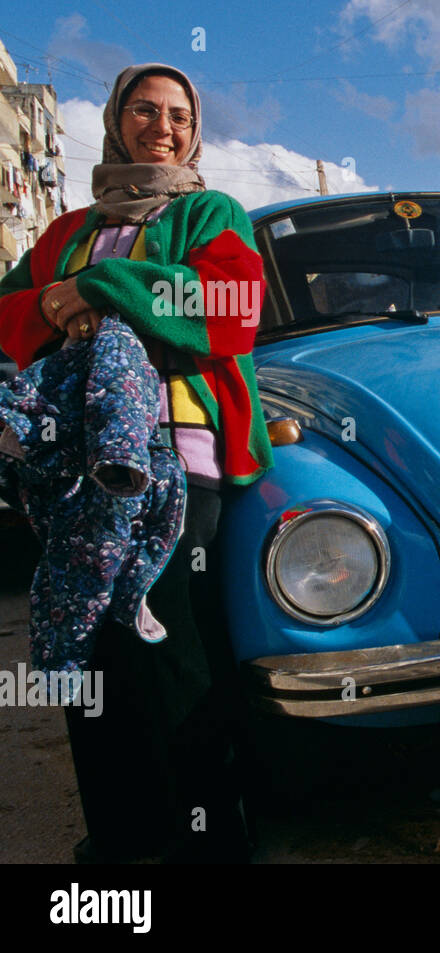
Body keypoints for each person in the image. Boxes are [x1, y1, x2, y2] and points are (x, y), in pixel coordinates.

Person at [0, 63, 273, 863]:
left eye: (180, 114)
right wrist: (56, 298)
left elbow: (229, 307)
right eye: (146, 111)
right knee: (90, 647)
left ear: (195, 129)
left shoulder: (210, 212)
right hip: (73, 471)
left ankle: (209, 839)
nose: (164, 126)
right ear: (119, 120)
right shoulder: (64, 229)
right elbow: (8, 311)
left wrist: (99, 288)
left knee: (170, 651)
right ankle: (120, 841)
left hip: (178, 462)